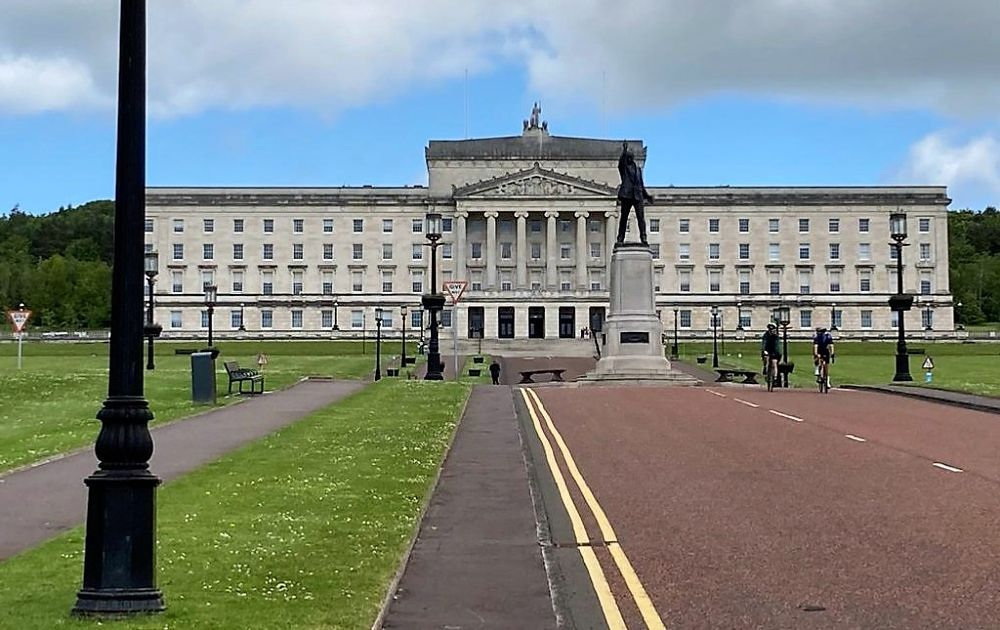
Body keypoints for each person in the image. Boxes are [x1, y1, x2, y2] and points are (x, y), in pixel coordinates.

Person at [615, 141, 654, 245]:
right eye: (628, 157)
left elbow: (641, 184)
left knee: (641, 218)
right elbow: (621, 163)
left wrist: (647, 196)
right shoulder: (624, 168)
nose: (629, 159)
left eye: (630, 157)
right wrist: (624, 150)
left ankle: (643, 238)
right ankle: (620, 238)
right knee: (624, 218)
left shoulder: (638, 170)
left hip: (637, 196)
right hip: (626, 195)